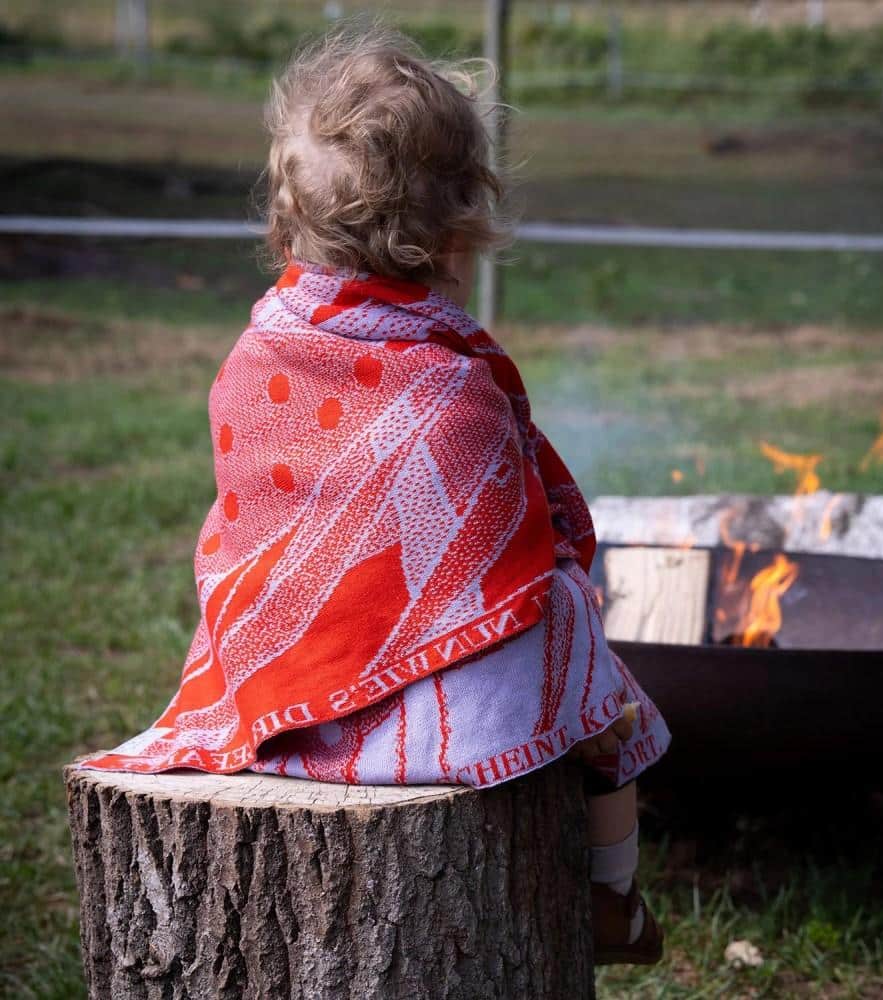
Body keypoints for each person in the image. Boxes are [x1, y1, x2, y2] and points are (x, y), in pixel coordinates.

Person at [73, 23, 671, 965]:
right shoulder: (452, 380)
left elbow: (248, 536)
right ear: (459, 228)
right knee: (575, 634)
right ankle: (615, 890)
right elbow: (512, 557)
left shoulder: (252, 356)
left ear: (286, 213)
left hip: (280, 707)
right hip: (449, 735)